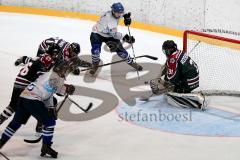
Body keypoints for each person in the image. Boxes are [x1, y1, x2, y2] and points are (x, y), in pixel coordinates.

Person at [0, 57, 78, 158]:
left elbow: (48, 94)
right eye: (65, 68)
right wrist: (66, 89)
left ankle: (1, 142)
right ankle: (46, 147)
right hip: (32, 100)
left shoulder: (53, 74)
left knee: (15, 123)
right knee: (49, 122)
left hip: (24, 96)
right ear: (59, 68)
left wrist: (50, 107)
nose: (66, 70)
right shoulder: (54, 76)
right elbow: (56, 88)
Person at [0, 54, 55, 125]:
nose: (48, 67)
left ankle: (2, 119)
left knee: (13, 105)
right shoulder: (41, 68)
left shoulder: (34, 60)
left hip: (17, 82)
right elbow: (44, 80)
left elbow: (24, 58)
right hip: (24, 85)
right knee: (38, 103)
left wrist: (18, 61)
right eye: (48, 65)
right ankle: (41, 124)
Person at [89, 2, 143, 75]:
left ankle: (132, 62)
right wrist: (126, 37)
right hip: (97, 33)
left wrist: (127, 16)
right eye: (118, 13)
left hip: (109, 34)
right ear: (113, 11)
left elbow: (124, 12)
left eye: (121, 13)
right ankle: (95, 63)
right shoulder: (110, 20)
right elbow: (114, 35)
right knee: (96, 50)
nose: (120, 15)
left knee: (121, 52)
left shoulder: (116, 13)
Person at [150, 40, 205, 109]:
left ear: (168, 51)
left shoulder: (173, 59)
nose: (165, 53)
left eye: (165, 51)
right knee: (169, 79)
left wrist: (164, 84)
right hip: (194, 79)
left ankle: (194, 98)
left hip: (189, 83)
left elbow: (173, 79)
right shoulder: (179, 52)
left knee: (169, 92)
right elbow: (168, 66)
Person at [14, 37, 91, 75]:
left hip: (53, 49)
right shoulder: (64, 51)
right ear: (70, 50)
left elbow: (76, 61)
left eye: (76, 54)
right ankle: (24, 59)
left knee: (55, 63)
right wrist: (74, 68)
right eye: (74, 53)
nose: (75, 55)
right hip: (44, 47)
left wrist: (90, 65)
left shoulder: (69, 49)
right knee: (40, 64)